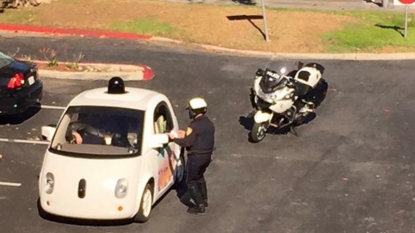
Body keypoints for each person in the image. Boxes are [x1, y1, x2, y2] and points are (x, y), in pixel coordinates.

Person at [168, 97, 215, 215]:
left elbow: (187, 143)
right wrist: (186, 134)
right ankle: (204, 200)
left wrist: (174, 139)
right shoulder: (209, 123)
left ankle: (199, 206)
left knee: (190, 180)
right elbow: (199, 137)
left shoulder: (193, 126)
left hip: (196, 157)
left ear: (193, 111)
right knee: (199, 177)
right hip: (207, 156)